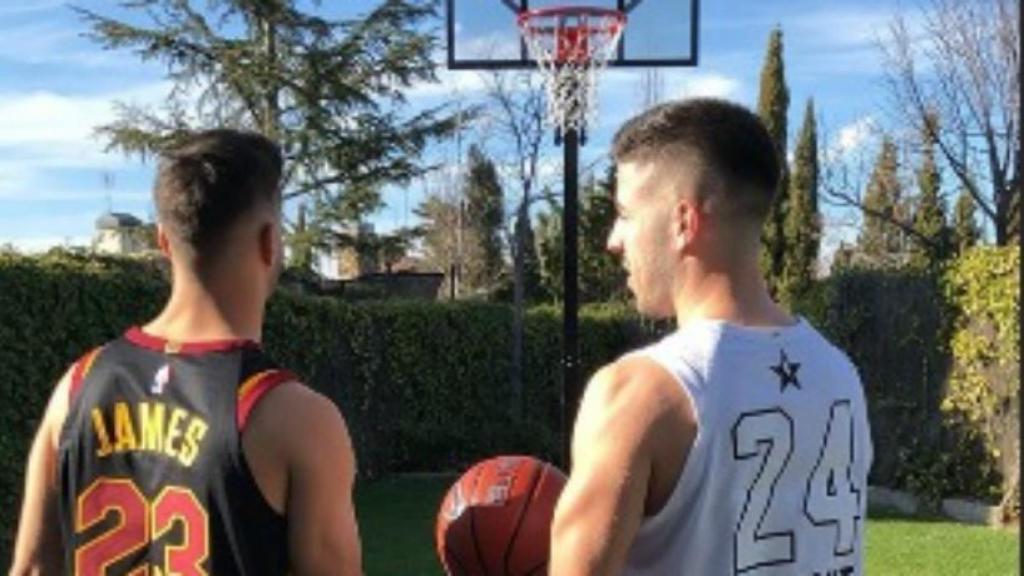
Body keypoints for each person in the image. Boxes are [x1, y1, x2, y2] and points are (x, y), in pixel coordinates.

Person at [10, 129, 362, 575]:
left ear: (163, 242)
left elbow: (32, 569)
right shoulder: (295, 418)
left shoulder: (76, 386)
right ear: (270, 243)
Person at [550, 99, 872, 575]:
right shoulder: (840, 373)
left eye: (625, 214)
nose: (614, 239)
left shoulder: (640, 393)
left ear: (683, 222)